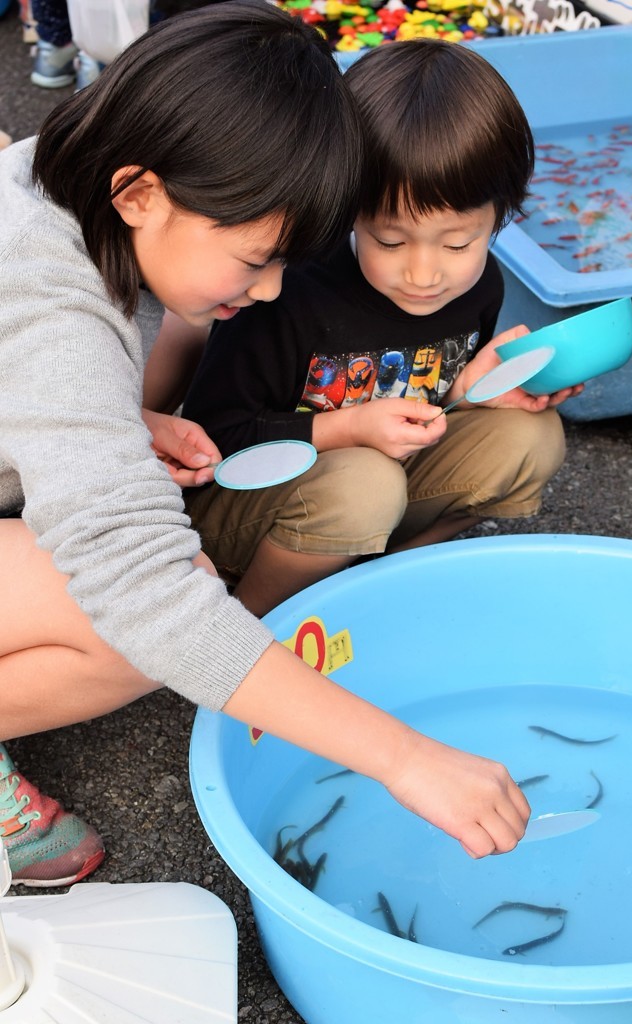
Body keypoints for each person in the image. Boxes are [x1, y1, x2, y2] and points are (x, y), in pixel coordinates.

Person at [0, 2, 529, 888]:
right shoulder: (53, 301)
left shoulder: (60, 181)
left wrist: (121, 423)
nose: (274, 286)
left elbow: (41, 384)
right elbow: (142, 590)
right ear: (141, 194)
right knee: (135, 623)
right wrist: (403, 757)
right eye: (256, 259)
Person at [178, 38, 583, 617]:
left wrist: (474, 390)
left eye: (458, 242)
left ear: (502, 215)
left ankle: (383, 582)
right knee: (365, 480)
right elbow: (215, 438)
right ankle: (249, 630)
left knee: (532, 441)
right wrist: (348, 429)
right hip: (251, 509)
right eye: (390, 241)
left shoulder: (480, 285)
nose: (424, 272)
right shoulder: (289, 290)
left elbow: (427, 402)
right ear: (347, 208)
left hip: (373, 501)